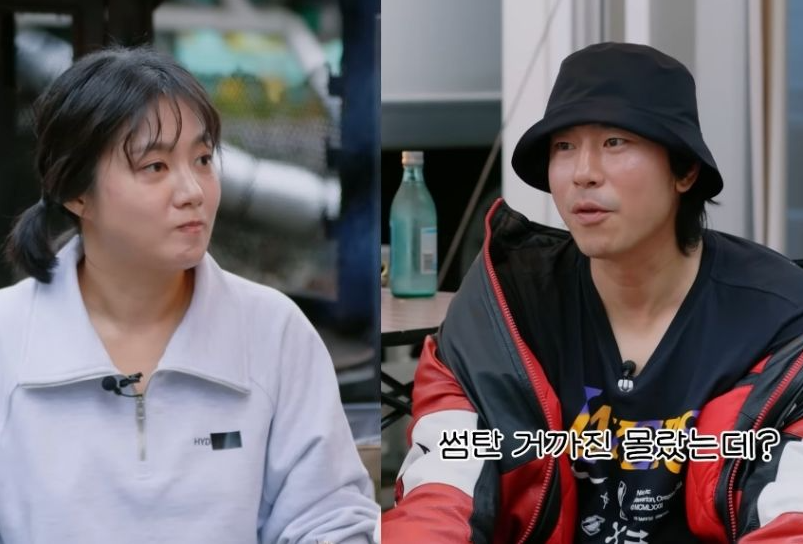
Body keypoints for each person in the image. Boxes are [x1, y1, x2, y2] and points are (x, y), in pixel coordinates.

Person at [382, 42, 803, 543]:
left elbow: (792, 509)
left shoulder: (776, 317)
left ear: (684, 171)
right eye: (564, 147)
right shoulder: (505, 307)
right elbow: (442, 491)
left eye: (615, 142)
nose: (583, 172)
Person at [0, 47, 378, 543]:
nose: (193, 191)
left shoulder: (275, 332)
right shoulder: (9, 339)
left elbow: (329, 520)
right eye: (155, 166)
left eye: (202, 160)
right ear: (76, 192)